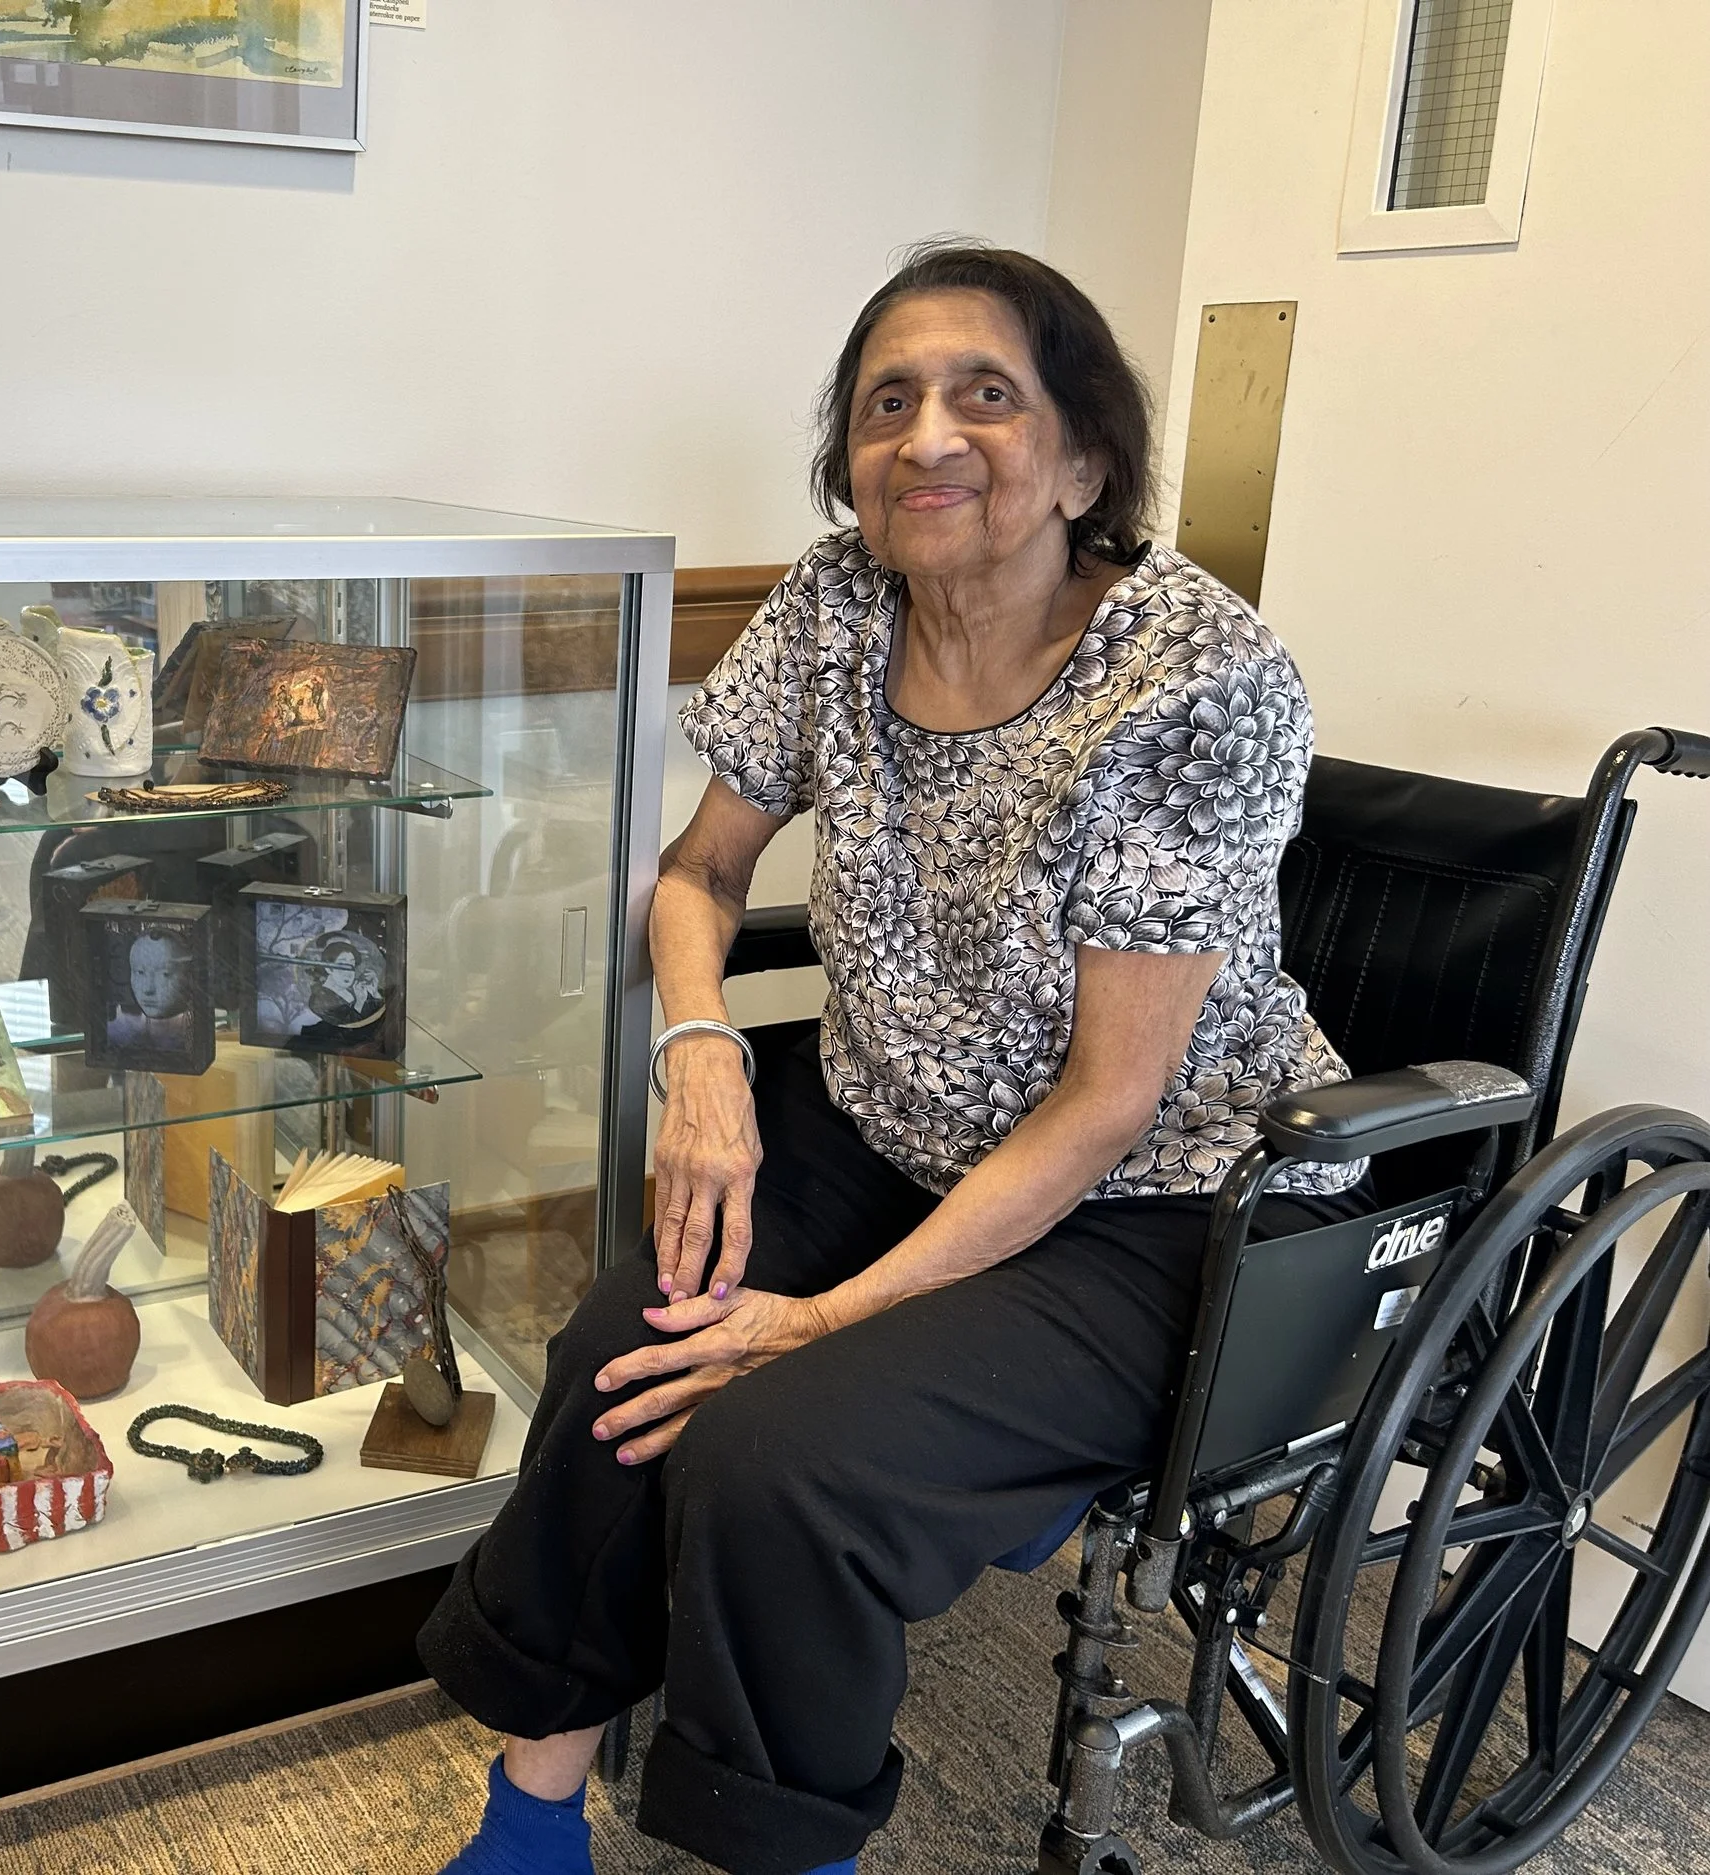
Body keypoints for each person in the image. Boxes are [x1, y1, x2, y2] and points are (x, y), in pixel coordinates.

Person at [417, 242, 1374, 1875]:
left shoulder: (1198, 679)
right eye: (887, 403)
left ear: (1084, 460)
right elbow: (698, 875)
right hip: (884, 1123)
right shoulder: (835, 602)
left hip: (1151, 1194)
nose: (927, 434)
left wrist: (814, 1324)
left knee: (783, 1455)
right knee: (619, 1350)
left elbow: (1109, 1100)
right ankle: (530, 1820)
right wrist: (703, 1058)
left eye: (984, 394)